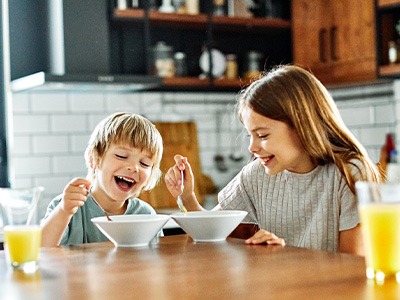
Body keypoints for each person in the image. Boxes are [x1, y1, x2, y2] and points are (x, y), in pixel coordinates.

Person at [165, 65, 381, 255]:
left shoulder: (349, 172)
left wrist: (284, 256)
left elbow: (353, 267)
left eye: (263, 135)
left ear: (302, 127)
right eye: (250, 135)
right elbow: (210, 233)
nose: (252, 147)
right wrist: (187, 197)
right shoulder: (256, 175)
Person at [41, 112, 163, 246]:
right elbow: (40, 250)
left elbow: (156, 259)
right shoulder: (67, 206)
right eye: (122, 156)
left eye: (144, 163)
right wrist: (63, 211)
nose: (134, 168)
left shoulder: (146, 215)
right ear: (94, 159)